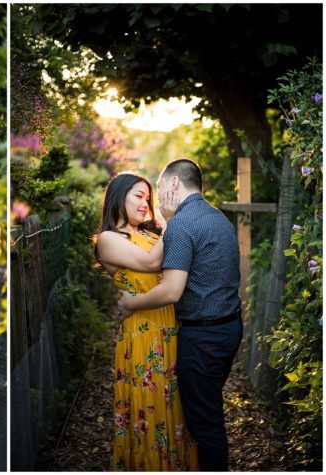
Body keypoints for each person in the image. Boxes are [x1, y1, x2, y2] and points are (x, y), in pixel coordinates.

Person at [118, 159, 243, 471]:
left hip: (203, 337)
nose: (156, 199)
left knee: (205, 425)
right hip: (229, 329)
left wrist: (132, 304)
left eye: (158, 189)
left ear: (174, 184)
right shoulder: (219, 218)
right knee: (208, 411)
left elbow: (172, 291)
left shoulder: (183, 224)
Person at [95, 172, 199, 471]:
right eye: (138, 196)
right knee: (150, 407)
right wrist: (171, 219)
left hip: (173, 330)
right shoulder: (108, 240)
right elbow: (152, 263)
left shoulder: (153, 234)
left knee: (177, 408)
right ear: (118, 196)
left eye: (148, 198)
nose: (146, 203)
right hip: (143, 335)